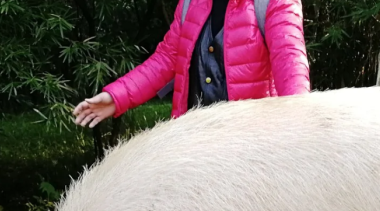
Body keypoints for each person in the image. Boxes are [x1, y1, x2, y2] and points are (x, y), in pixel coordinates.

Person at [73, 0, 311, 127]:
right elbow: (166, 59)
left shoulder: (271, 2)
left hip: (248, 147)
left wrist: (302, 124)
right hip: (192, 144)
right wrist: (116, 98)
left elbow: (289, 60)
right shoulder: (190, 3)